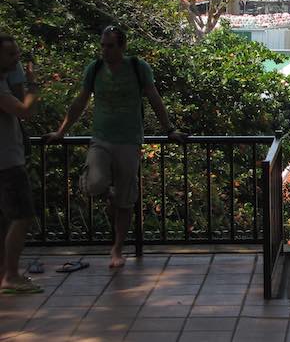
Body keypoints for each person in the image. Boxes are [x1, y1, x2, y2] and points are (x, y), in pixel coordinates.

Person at [44, 26, 187, 268]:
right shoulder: (95, 69)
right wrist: (62, 131)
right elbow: (80, 101)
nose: (104, 50)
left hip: (130, 140)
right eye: (102, 45)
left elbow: (154, 97)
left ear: (122, 46)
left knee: (125, 200)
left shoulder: (138, 67)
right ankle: (107, 194)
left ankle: (117, 249)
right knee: (95, 184)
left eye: (110, 46)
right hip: (101, 138)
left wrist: (169, 129)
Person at [0, 34, 42, 294]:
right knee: (22, 215)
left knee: (5, 220)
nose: (17, 58)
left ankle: (6, 273)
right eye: (11, 54)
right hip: (7, 162)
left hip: (7, 159)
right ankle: (12, 275)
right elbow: (24, 111)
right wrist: (33, 86)